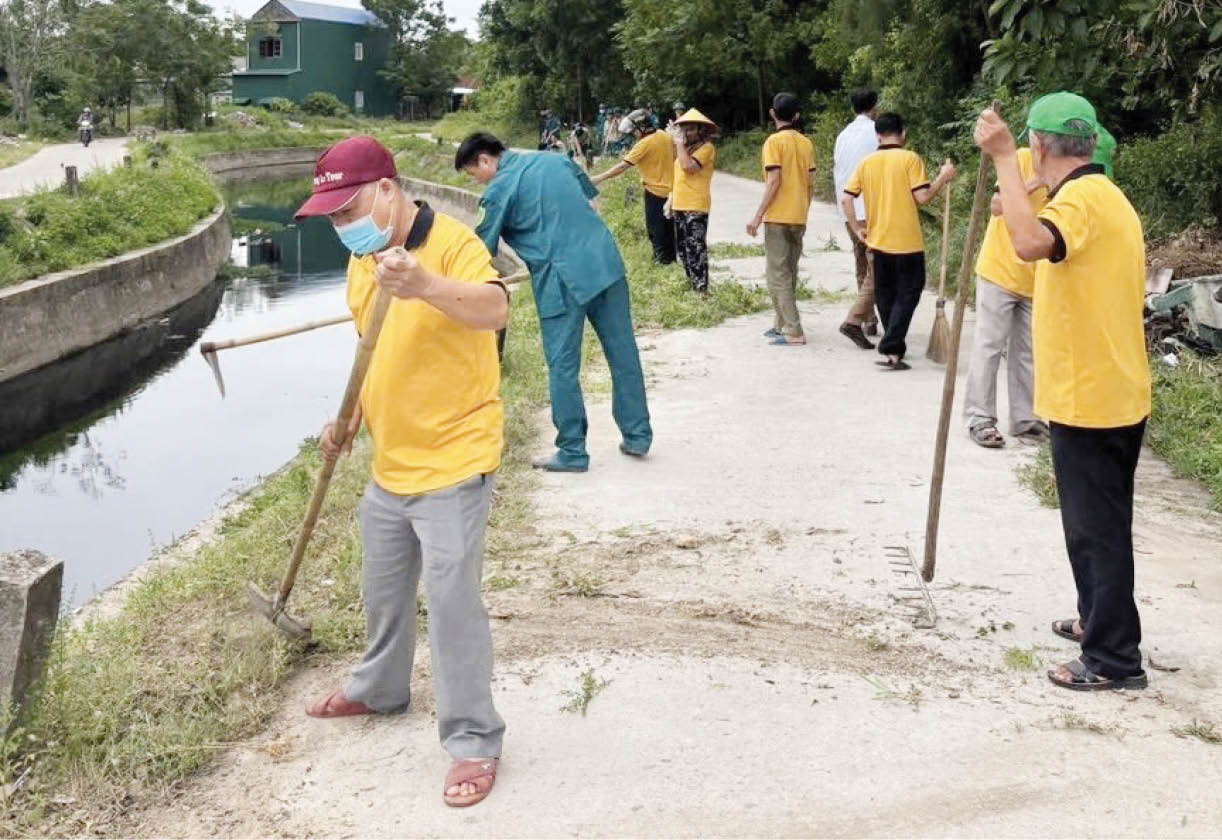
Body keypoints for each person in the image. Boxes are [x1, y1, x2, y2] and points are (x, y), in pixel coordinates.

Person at [292, 136, 509, 808]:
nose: (341, 225)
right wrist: (349, 417)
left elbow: (495, 308)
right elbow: (372, 346)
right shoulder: (364, 264)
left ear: (387, 190)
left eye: (347, 208)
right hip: (393, 463)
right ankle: (380, 688)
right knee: (383, 589)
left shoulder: (453, 244)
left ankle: (473, 739)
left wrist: (423, 285)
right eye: (329, 216)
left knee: (450, 605)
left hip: (455, 457)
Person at [975, 93, 1151, 692]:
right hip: (1103, 388)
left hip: (1095, 395)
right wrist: (1012, 188)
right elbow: (1026, 221)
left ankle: (1113, 659)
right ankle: (1095, 620)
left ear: (1040, 145)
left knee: (1096, 527)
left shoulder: (1081, 198)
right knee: (1091, 522)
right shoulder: (1099, 196)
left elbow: (1028, 244)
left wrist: (1001, 156)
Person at [456, 132, 653, 472]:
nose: (479, 182)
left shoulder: (499, 189)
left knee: (563, 366)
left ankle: (573, 452)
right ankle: (637, 436)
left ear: (486, 161)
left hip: (561, 279)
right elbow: (592, 201)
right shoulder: (556, 159)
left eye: (475, 175)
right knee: (623, 352)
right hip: (604, 262)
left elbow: (479, 251)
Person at [841, 112, 955, 370]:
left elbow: (847, 198)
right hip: (907, 244)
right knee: (908, 295)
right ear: (903, 133)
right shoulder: (910, 159)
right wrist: (943, 177)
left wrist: (858, 228)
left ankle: (895, 348)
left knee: (886, 296)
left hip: (878, 243)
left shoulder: (867, 163)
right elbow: (923, 197)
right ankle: (892, 347)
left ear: (877, 135)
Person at [962, 145, 1049, 448]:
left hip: (1036, 278)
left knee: (1027, 351)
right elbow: (998, 205)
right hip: (999, 270)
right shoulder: (1021, 159)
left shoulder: (1068, 175)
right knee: (989, 345)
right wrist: (1035, 182)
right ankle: (979, 418)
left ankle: (1026, 419)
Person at [746, 92, 815, 346]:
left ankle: (794, 331)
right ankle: (781, 323)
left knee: (777, 274)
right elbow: (809, 184)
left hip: (777, 217)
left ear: (773, 114)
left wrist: (757, 216)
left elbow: (774, 180)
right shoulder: (806, 143)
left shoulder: (773, 143)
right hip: (798, 215)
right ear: (797, 115)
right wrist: (804, 209)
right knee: (789, 271)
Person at [593, 108, 676, 264]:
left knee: (655, 230)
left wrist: (599, 178)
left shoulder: (643, 144)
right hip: (671, 192)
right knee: (669, 230)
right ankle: (671, 261)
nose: (633, 135)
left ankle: (661, 262)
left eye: (634, 131)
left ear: (642, 127)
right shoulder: (665, 136)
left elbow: (622, 167)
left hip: (654, 192)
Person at [834, 89, 880, 349]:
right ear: (874, 107)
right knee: (878, 266)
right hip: (872, 209)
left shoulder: (843, 136)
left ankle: (868, 318)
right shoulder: (877, 132)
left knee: (861, 261)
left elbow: (838, 172)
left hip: (849, 210)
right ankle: (857, 318)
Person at [667, 108, 718, 293]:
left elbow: (689, 167)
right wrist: (671, 200)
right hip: (680, 204)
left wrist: (679, 144)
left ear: (700, 131)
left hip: (695, 205)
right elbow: (677, 174)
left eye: (690, 129)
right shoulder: (685, 148)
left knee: (696, 248)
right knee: (683, 249)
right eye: (683, 130)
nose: (685, 134)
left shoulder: (707, 149)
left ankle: (701, 289)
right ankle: (692, 284)